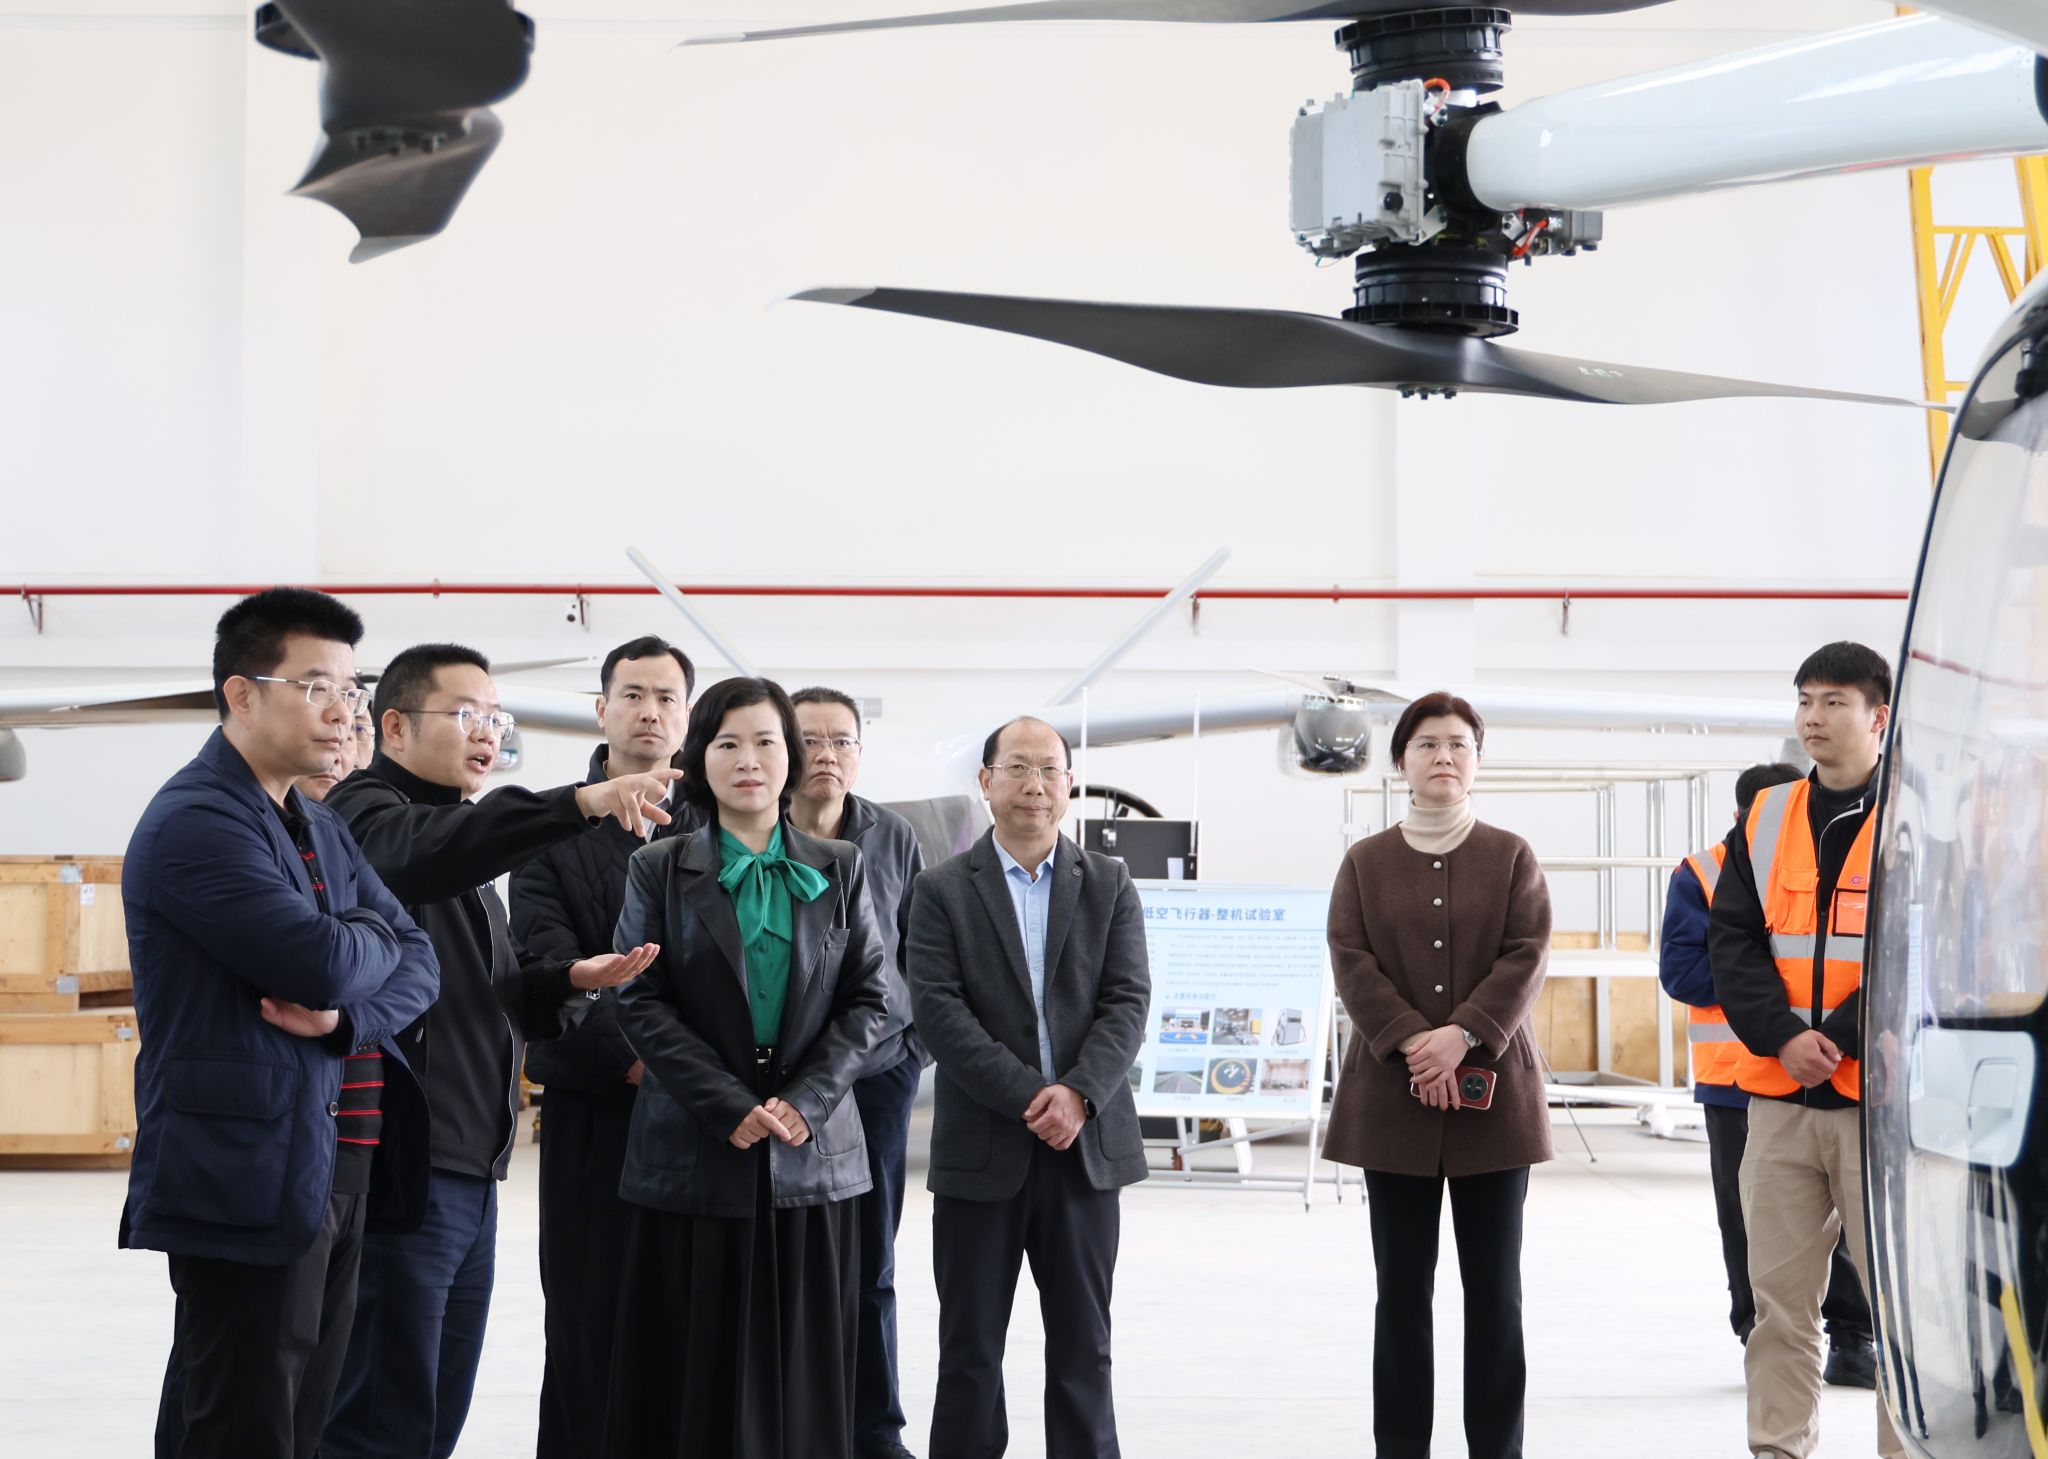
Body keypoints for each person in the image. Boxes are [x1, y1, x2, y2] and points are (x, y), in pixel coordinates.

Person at [321, 642, 673, 1459]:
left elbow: (489, 991)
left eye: (496, 717)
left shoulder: (464, 849)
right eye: (466, 714)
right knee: (382, 1412)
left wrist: (567, 979)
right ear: (395, 727)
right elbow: (419, 853)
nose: (488, 733)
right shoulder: (369, 815)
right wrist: (579, 803)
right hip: (407, 1170)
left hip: (472, 1171)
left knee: (434, 1407)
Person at [122, 588, 439, 1459]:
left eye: (350, 687)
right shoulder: (198, 820)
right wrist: (363, 944)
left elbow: (420, 962)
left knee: (301, 1422)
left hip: (334, 1157)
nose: (343, 710)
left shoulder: (318, 821)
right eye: (316, 686)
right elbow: (323, 963)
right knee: (241, 1423)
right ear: (242, 694)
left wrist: (345, 1017)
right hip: (247, 1168)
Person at [603, 676, 895, 1459]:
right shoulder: (658, 866)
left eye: (766, 741)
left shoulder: (841, 865)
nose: (749, 759)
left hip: (812, 1153)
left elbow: (871, 999)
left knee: (805, 1367)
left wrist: (809, 1098)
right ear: (700, 757)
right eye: (728, 742)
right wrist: (725, 1102)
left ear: (790, 755)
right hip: (693, 1147)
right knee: (690, 1365)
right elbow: (638, 998)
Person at [907, 715, 1151, 1459]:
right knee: (970, 1349)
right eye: (1017, 767)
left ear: (1070, 784)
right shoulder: (940, 889)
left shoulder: (1108, 882)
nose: (1034, 784)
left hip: (1085, 1149)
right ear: (986, 782)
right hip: (982, 1148)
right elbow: (939, 1012)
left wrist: (1077, 1094)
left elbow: (1127, 1001)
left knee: (1085, 1345)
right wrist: (1029, 1096)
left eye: (1049, 769)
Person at [1321, 691, 1551, 1459]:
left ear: (1477, 760)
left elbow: (1527, 953)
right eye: (1427, 744)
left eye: (1458, 743)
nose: (1443, 756)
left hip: (1495, 1103)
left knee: (1495, 1293)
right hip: (1394, 1101)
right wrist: (1417, 1043)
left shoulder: (1512, 854)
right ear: (1401, 761)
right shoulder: (1365, 862)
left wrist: (1464, 1035)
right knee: (1400, 1293)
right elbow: (1351, 959)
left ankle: (1497, 1448)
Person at [1710, 642, 1906, 1459]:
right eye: (1805, 700)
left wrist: (1843, 1037)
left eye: (1833, 701)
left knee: (1900, 1311)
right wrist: (1785, 1036)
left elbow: (1920, 944)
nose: (1813, 717)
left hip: (1880, 1107)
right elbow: (1732, 940)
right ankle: (1779, 1447)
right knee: (1778, 1306)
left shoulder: (1914, 816)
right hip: (1780, 1100)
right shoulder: (1766, 815)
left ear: (1878, 715)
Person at [510, 635, 699, 1459]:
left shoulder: (724, 826)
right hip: (598, 1116)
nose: (650, 710)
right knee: (591, 1324)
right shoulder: (552, 829)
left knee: (694, 1329)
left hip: (706, 1121)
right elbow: (544, 967)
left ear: (686, 716)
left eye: (666, 696)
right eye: (633, 694)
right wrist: (646, 1062)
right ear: (602, 709)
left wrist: (704, 1079)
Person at [1660, 761, 1875, 1381]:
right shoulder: (1703, 873)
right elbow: (1683, 971)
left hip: (1837, 1068)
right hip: (1738, 1079)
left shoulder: (1852, 852)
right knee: (1749, 1221)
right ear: (1744, 819)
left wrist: (1811, 1025)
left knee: (1850, 1225)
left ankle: (1852, 1337)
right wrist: (1771, 1005)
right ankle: (1757, 1333)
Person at [788, 685, 927, 1459]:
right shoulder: (751, 832)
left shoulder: (892, 835)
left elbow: (921, 953)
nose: (826, 755)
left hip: (875, 1078)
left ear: (860, 752)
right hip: (781, 1082)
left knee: (871, 1258)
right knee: (784, 1255)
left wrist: (911, 1052)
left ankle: (875, 1432)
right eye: (810, 739)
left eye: (841, 740)